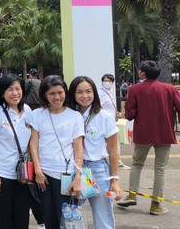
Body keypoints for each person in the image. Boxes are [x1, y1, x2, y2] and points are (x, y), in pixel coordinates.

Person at [117, 60, 180, 215]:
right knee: (160, 169)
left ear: (143, 73)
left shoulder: (135, 89)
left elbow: (130, 115)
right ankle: (156, 204)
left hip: (143, 134)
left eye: (140, 71)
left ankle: (132, 194)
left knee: (137, 164)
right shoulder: (170, 89)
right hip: (165, 133)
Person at [28, 75, 84, 229]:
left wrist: (78, 177)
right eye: (52, 93)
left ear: (65, 92)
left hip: (66, 175)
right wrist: (38, 171)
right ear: (45, 95)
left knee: (67, 220)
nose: (57, 97)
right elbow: (34, 144)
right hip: (44, 176)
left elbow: (78, 149)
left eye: (60, 92)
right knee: (49, 218)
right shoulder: (37, 114)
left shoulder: (75, 116)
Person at [69, 76, 121, 229]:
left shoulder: (104, 116)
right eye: (79, 92)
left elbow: (112, 151)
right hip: (73, 170)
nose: (84, 96)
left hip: (97, 170)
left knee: (103, 217)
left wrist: (114, 180)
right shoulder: (69, 115)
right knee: (70, 215)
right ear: (72, 94)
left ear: (94, 93)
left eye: (88, 91)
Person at [0, 74, 32, 229]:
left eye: (17, 89)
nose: (14, 93)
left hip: (22, 175)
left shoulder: (28, 111)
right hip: (1, 174)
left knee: (20, 216)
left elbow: (31, 141)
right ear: (2, 93)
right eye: (9, 89)